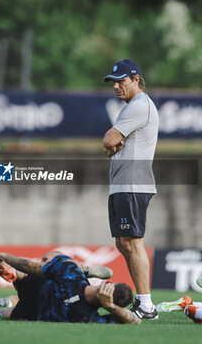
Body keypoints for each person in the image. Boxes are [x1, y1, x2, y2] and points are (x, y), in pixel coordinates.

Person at [103, 59, 159, 319]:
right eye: (113, 82)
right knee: (123, 243)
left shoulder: (138, 106)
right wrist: (113, 145)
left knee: (132, 243)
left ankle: (146, 306)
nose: (116, 86)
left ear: (136, 79)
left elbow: (109, 139)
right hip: (122, 185)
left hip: (133, 185)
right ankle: (143, 301)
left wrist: (113, 143)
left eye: (121, 81)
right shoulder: (130, 107)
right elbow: (111, 144)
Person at [0, 252, 140, 325]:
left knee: (53, 262)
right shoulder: (89, 318)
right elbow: (135, 321)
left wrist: (4, 256)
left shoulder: (71, 273)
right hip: (32, 313)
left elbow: (33, 267)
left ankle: (15, 275)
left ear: (108, 284)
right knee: (9, 315)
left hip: (40, 286)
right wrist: (111, 307)